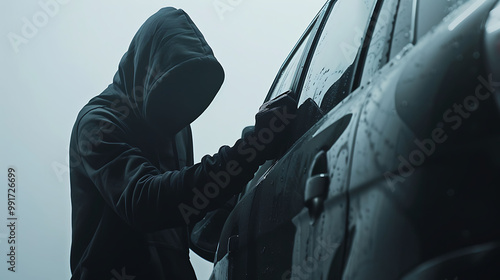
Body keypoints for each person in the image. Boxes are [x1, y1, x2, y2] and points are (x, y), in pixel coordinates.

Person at [69, 7, 297, 280]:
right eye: (173, 89)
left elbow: (187, 210)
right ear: (148, 70)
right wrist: (248, 152)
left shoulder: (173, 127)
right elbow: (144, 203)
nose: (180, 108)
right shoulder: (98, 123)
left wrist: (250, 183)